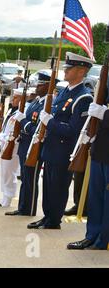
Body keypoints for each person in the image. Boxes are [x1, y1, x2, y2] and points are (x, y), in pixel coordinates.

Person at [28, 52, 93, 230]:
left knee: (58, 187)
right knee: (48, 186)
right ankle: (47, 216)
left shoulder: (83, 97)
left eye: (69, 68)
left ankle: (53, 220)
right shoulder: (65, 91)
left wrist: (50, 122)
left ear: (81, 71)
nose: (66, 71)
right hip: (51, 147)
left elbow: (73, 130)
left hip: (64, 151)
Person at [5, 73, 53, 216]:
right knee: (25, 178)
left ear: (48, 86)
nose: (37, 86)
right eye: (37, 84)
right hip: (25, 144)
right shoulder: (36, 101)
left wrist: (23, 122)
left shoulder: (46, 105)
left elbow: (37, 129)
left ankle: (29, 208)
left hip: (34, 146)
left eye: (41, 84)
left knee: (31, 179)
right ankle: (22, 207)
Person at [67, 83, 109, 250]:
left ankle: (103, 239)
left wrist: (105, 114)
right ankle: (92, 236)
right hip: (100, 150)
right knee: (95, 197)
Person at [0, 88, 23, 208]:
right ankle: (4, 196)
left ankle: (9, 197)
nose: (12, 99)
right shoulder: (11, 110)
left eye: (16, 97)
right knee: (4, 173)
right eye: (13, 97)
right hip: (4, 145)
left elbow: (13, 135)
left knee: (9, 174)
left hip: (12, 148)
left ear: (21, 100)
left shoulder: (20, 113)